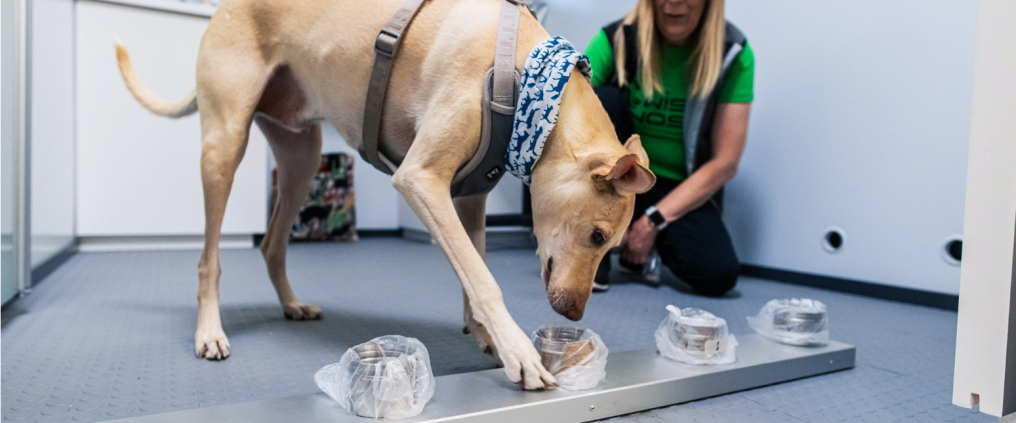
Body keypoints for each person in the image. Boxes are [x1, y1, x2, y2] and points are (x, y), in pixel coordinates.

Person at [585, 0, 754, 295]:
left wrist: (653, 221)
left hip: (677, 189)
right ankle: (593, 252)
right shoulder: (616, 38)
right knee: (601, 99)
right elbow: (567, 104)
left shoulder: (734, 52)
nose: (674, 3)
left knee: (718, 274)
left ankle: (642, 240)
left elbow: (725, 162)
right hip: (618, 178)